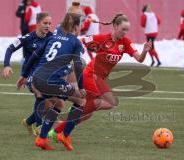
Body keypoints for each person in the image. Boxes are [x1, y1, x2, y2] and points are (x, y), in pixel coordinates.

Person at [48, 13, 152, 150]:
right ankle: (62, 133)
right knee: (108, 103)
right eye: (123, 29)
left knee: (87, 113)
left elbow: (139, 59)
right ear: (115, 26)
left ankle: (55, 132)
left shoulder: (125, 43)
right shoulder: (102, 38)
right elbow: (81, 41)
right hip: (90, 75)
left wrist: (145, 51)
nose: (125, 32)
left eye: (127, 30)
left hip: (99, 79)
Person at [16, 12, 86, 150]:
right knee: (81, 100)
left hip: (36, 78)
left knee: (58, 103)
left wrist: (24, 75)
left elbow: (36, 54)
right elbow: (78, 65)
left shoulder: (54, 34)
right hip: (51, 81)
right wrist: (82, 87)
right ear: (76, 27)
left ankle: (42, 139)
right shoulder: (75, 42)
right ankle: (64, 135)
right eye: (80, 25)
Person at [2, 12, 52, 136]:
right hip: (30, 75)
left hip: (47, 74)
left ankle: (28, 122)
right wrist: (7, 65)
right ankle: (40, 127)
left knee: (49, 105)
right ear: (37, 23)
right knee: (40, 94)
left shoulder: (52, 37)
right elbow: (10, 49)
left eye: (50, 23)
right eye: (45, 23)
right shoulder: (28, 38)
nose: (48, 26)